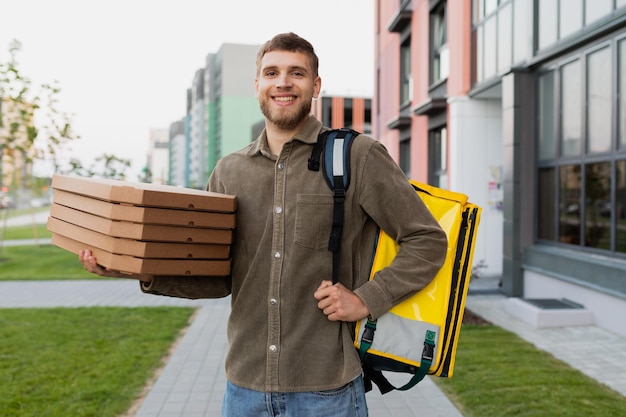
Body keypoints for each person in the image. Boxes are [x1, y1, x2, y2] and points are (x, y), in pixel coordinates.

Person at [80, 32, 447, 417]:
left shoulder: (358, 156)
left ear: (315, 85)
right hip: (244, 390)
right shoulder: (229, 171)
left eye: (297, 73)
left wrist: (366, 298)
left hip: (328, 391)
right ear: (257, 85)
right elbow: (217, 277)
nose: (283, 82)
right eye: (271, 72)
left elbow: (426, 240)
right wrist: (131, 269)